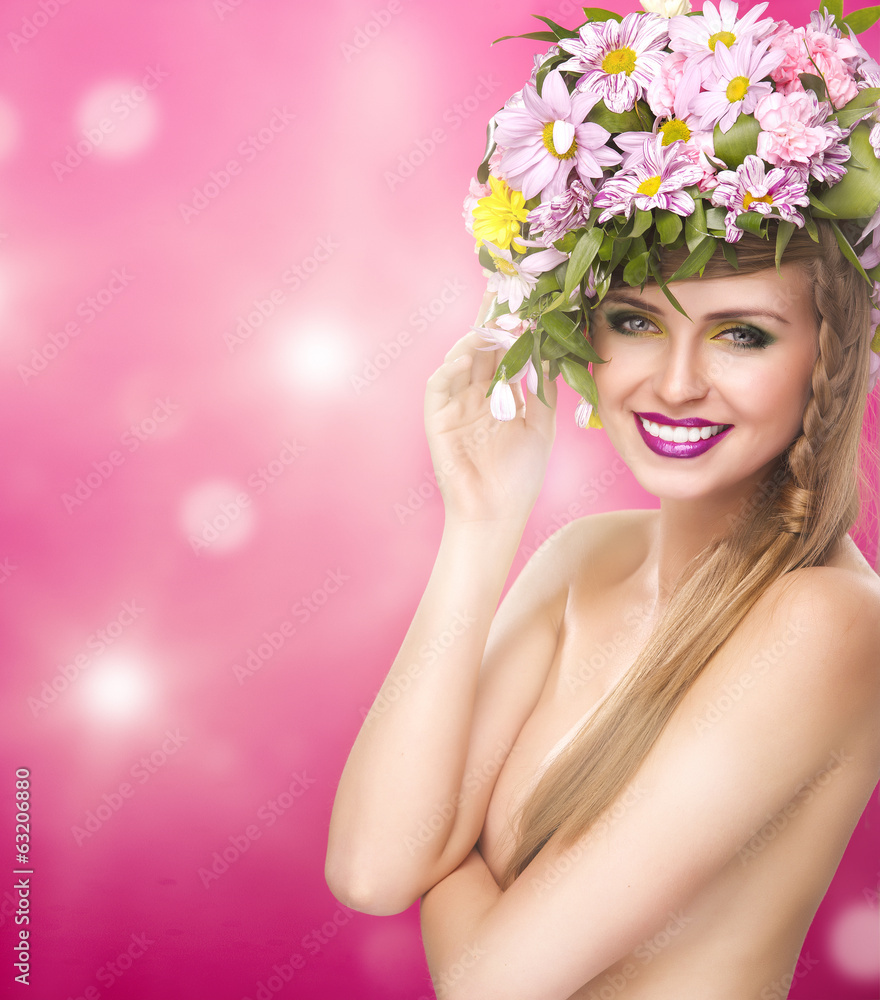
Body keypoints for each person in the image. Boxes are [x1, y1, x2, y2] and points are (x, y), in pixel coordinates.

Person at [327, 2, 880, 997]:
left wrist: (452, 871)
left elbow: (490, 984)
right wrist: (480, 525)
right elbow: (372, 869)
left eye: (740, 334)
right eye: (633, 320)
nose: (672, 383)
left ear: (826, 358)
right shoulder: (582, 560)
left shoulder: (827, 620)